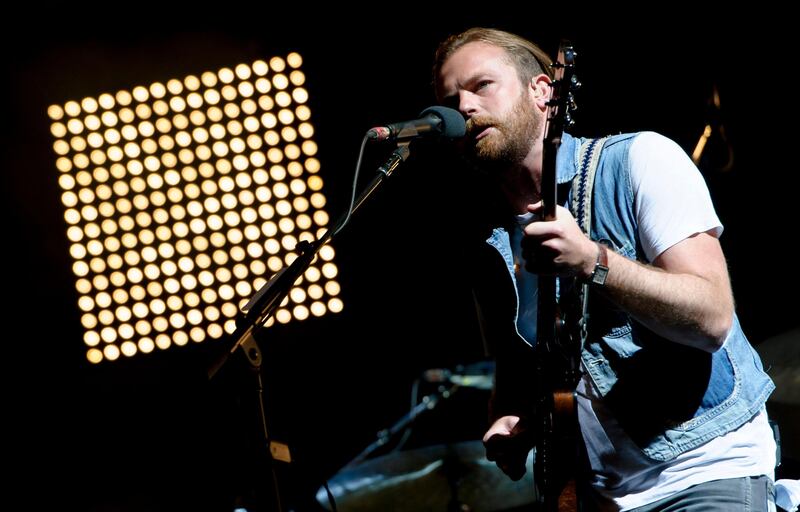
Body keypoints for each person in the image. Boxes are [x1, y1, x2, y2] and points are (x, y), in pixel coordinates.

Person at [431, 27, 778, 511]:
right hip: (598, 494)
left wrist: (594, 262)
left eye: (481, 85)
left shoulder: (639, 160)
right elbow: (517, 370)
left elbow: (713, 316)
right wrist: (513, 418)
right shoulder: (486, 243)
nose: (463, 107)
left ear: (542, 92)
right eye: (451, 98)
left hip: (705, 470)